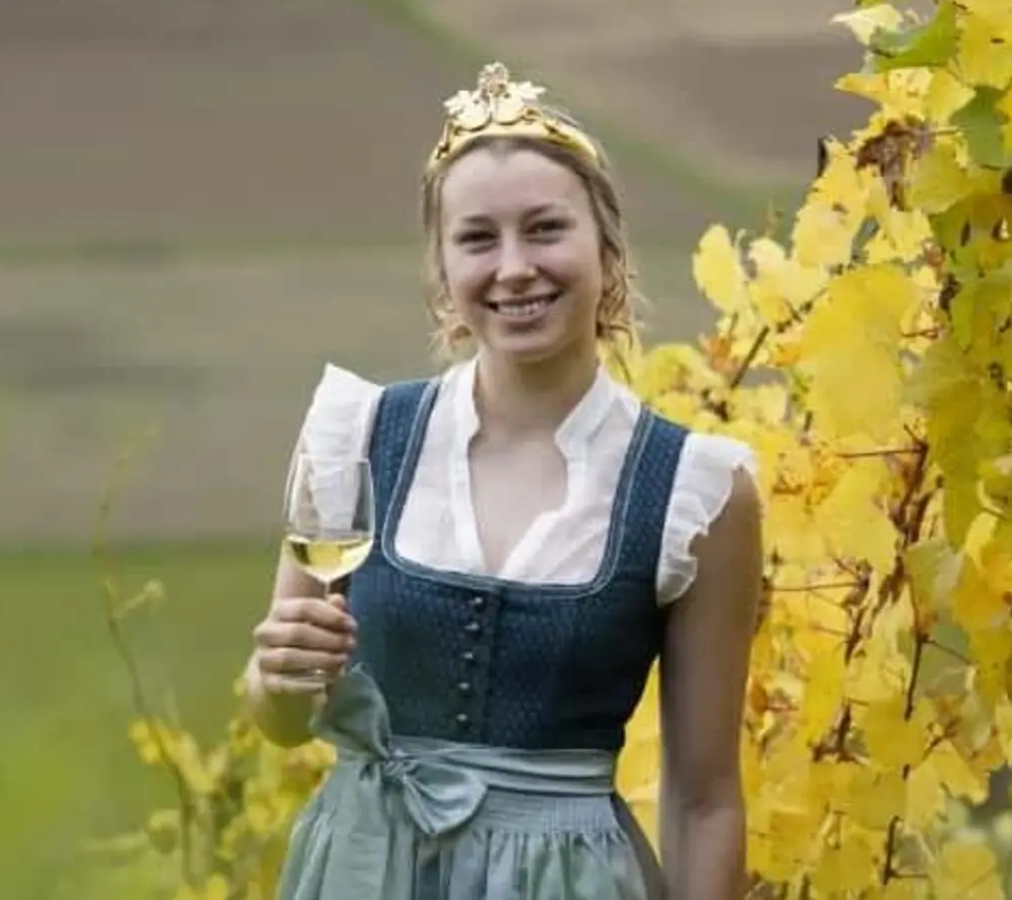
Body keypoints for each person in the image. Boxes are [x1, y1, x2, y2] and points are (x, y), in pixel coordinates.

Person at [242, 61, 764, 900]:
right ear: (442, 268)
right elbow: (281, 718)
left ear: (608, 248)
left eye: (545, 229)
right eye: (478, 239)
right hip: (365, 870)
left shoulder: (694, 492)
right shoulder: (354, 436)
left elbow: (703, 799)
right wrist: (273, 679)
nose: (514, 267)